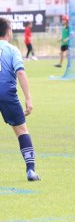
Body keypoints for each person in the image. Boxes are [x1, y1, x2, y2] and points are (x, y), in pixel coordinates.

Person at [0, 18, 40, 181]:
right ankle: (30, 171)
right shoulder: (12, 50)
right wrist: (28, 99)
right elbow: (21, 73)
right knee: (21, 130)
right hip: (7, 94)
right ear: (8, 32)